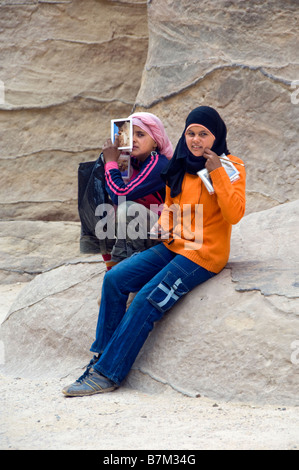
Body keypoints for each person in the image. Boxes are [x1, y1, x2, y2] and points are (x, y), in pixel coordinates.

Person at [62, 105, 246, 397]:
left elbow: (234, 214)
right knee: (115, 279)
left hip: (203, 254)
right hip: (173, 245)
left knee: (148, 298)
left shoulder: (232, 166)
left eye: (204, 134)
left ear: (217, 137)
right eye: (191, 133)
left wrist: (218, 174)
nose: (196, 140)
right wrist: (163, 225)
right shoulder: (181, 165)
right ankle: (101, 356)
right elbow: (171, 206)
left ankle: (108, 374)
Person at [89, 112, 173, 271]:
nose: (133, 139)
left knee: (127, 208)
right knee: (100, 209)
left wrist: (111, 162)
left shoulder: (158, 163)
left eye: (140, 134)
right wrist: (110, 157)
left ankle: (121, 271)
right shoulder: (132, 160)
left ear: (155, 141)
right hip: (144, 229)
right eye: (130, 134)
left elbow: (120, 194)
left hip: (166, 236)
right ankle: (113, 268)